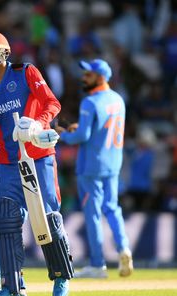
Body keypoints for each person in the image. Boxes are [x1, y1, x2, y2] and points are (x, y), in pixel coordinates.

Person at [0, 31, 73, 296]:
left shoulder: (26, 72)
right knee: (7, 221)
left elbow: (52, 103)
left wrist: (38, 122)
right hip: (8, 163)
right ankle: (12, 286)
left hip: (40, 156)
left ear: (2, 52)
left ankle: (60, 275)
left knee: (47, 216)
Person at [56, 59, 133, 279]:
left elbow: (83, 136)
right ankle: (124, 249)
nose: (83, 77)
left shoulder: (90, 102)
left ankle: (98, 265)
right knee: (113, 208)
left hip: (91, 165)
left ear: (100, 77)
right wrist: (79, 128)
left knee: (93, 215)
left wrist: (64, 135)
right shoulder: (118, 100)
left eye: (88, 74)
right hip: (113, 162)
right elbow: (100, 129)